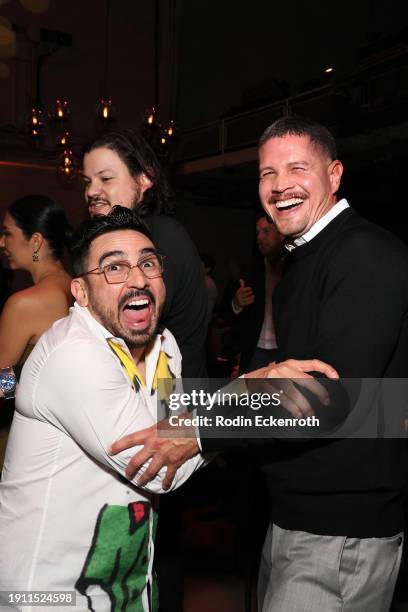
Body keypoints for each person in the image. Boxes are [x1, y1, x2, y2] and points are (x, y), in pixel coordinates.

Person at [109, 117, 408, 612]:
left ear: (334, 175)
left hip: (342, 531)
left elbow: (323, 399)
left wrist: (200, 427)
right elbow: (284, 381)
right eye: (267, 173)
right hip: (298, 513)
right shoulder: (302, 263)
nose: (279, 186)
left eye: (297, 168)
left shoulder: (365, 255)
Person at [0, 207, 206, 612]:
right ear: (80, 291)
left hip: (123, 587)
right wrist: (254, 400)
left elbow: (171, 435)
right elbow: (161, 467)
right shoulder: (74, 351)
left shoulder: (166, 347)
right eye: (114, 268)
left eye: (148, 263)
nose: (138, 278)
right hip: (46, 595)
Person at [82, 130, 208, 379]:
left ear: (145, 178)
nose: (91, 191)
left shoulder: (160, 238)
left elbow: (124, 338)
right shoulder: (116, 243)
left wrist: (12, 389)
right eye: (87, 181)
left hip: (169, 397)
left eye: (105, 179)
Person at [0, 194, 72, 381]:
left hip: (33, 409)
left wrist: (16, 396)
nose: (1, 242)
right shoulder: (73, 286)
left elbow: (1, 385)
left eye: (7, 233)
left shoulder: (24, 303)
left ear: (35, 242)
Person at [224, 213, 283, 373]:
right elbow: (228, 314)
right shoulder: (250, 271)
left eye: (266, 231)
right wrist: (237, 303)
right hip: (255, 351)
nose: (259, 237)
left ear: (281, 234)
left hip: (285, 352)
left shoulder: (296, 269)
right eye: (257, 233)